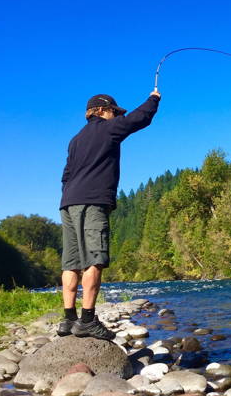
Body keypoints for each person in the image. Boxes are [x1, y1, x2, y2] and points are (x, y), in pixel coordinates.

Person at [57, 90, 161, 339]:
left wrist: (71, 195)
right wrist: (154, 98)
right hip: (92, 202)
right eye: (114, 112)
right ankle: (88, 320)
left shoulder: (75, 140)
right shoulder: (107, 129)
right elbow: (140, 118)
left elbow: (66, 175)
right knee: (95, 259)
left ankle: (68, 320)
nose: (117, 116)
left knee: (71, 263)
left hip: (68, 203)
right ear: (102, 111)